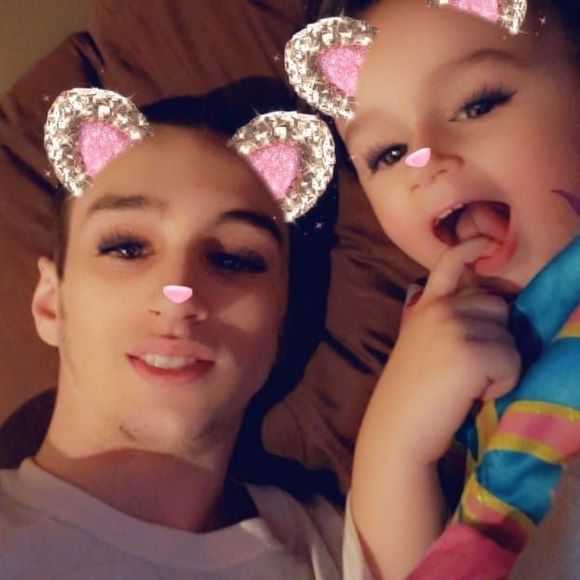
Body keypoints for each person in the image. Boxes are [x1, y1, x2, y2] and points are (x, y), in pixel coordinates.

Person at [0, 84, 371, 579]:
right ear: (50, 304)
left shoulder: (352, 545)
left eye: (234, 259)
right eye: (127, 248)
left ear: (282, 323)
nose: (179, 293)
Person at [285, 1, 580, 578]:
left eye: (478, 104)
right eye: (387, 154)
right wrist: (395, 441)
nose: (424, 158)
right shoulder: (443, 340)